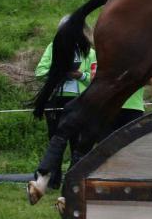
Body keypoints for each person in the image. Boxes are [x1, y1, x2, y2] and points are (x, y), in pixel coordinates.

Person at [34, 15, 95, 190]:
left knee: (77, 143)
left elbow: (96, 80)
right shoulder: (53, 47)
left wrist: (80, 76)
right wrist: (57, 72)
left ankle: (73, 181)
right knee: (55, 140)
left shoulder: (90, 53)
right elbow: (39, 72)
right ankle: (53, 181)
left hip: (80, 102)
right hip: (55, 99)